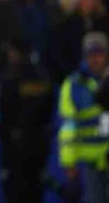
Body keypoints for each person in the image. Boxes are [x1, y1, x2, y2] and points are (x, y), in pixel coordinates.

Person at [58, 32, 109, 203]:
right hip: (90, 161)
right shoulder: (73, 85)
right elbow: (68, 128)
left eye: (99, 54)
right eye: (91, 54)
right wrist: (69, 162)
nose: (95, 59)